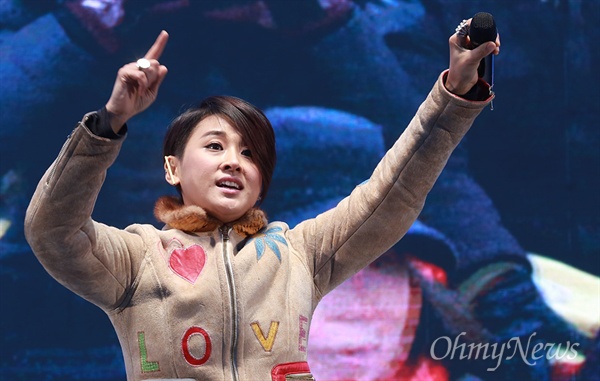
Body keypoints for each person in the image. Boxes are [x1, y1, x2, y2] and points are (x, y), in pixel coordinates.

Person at [24, 16, 499, 380]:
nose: (233, 161)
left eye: (250, 154)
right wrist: (109, 123)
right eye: (215, 146)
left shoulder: (299, 254)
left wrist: (453, 96)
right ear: (172, 167)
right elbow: (53, 230)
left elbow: (394, 192)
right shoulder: (135, 257)